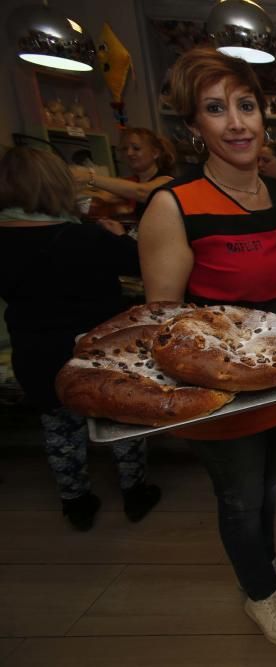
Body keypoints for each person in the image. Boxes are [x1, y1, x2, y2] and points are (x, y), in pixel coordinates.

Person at [138, 47, 276, 647]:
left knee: (267, 486)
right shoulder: (175, 206)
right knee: (239, 495)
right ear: (193, 128)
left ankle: (262, 561)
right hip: (219, 391)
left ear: (264, 116)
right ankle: (259, 591)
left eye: (246, 105)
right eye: (217, 109)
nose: (237, 122)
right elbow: (164, 326)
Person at [0, 147, 161, 531]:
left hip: (34, 350)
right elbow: (142, 262)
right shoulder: (85, 238)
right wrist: (121, 237)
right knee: (122, 419)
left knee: (59, 430)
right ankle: (135, 492)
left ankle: (76, 501)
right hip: (97, 348)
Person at [70, 127, 175, 221]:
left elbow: (142, 192)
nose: (129, 153)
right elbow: (99, 200)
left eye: (136, 148)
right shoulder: (129, 182)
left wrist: (90, 177)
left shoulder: (167, 180)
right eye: (125, 149)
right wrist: (76, 204)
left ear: (155, 153)